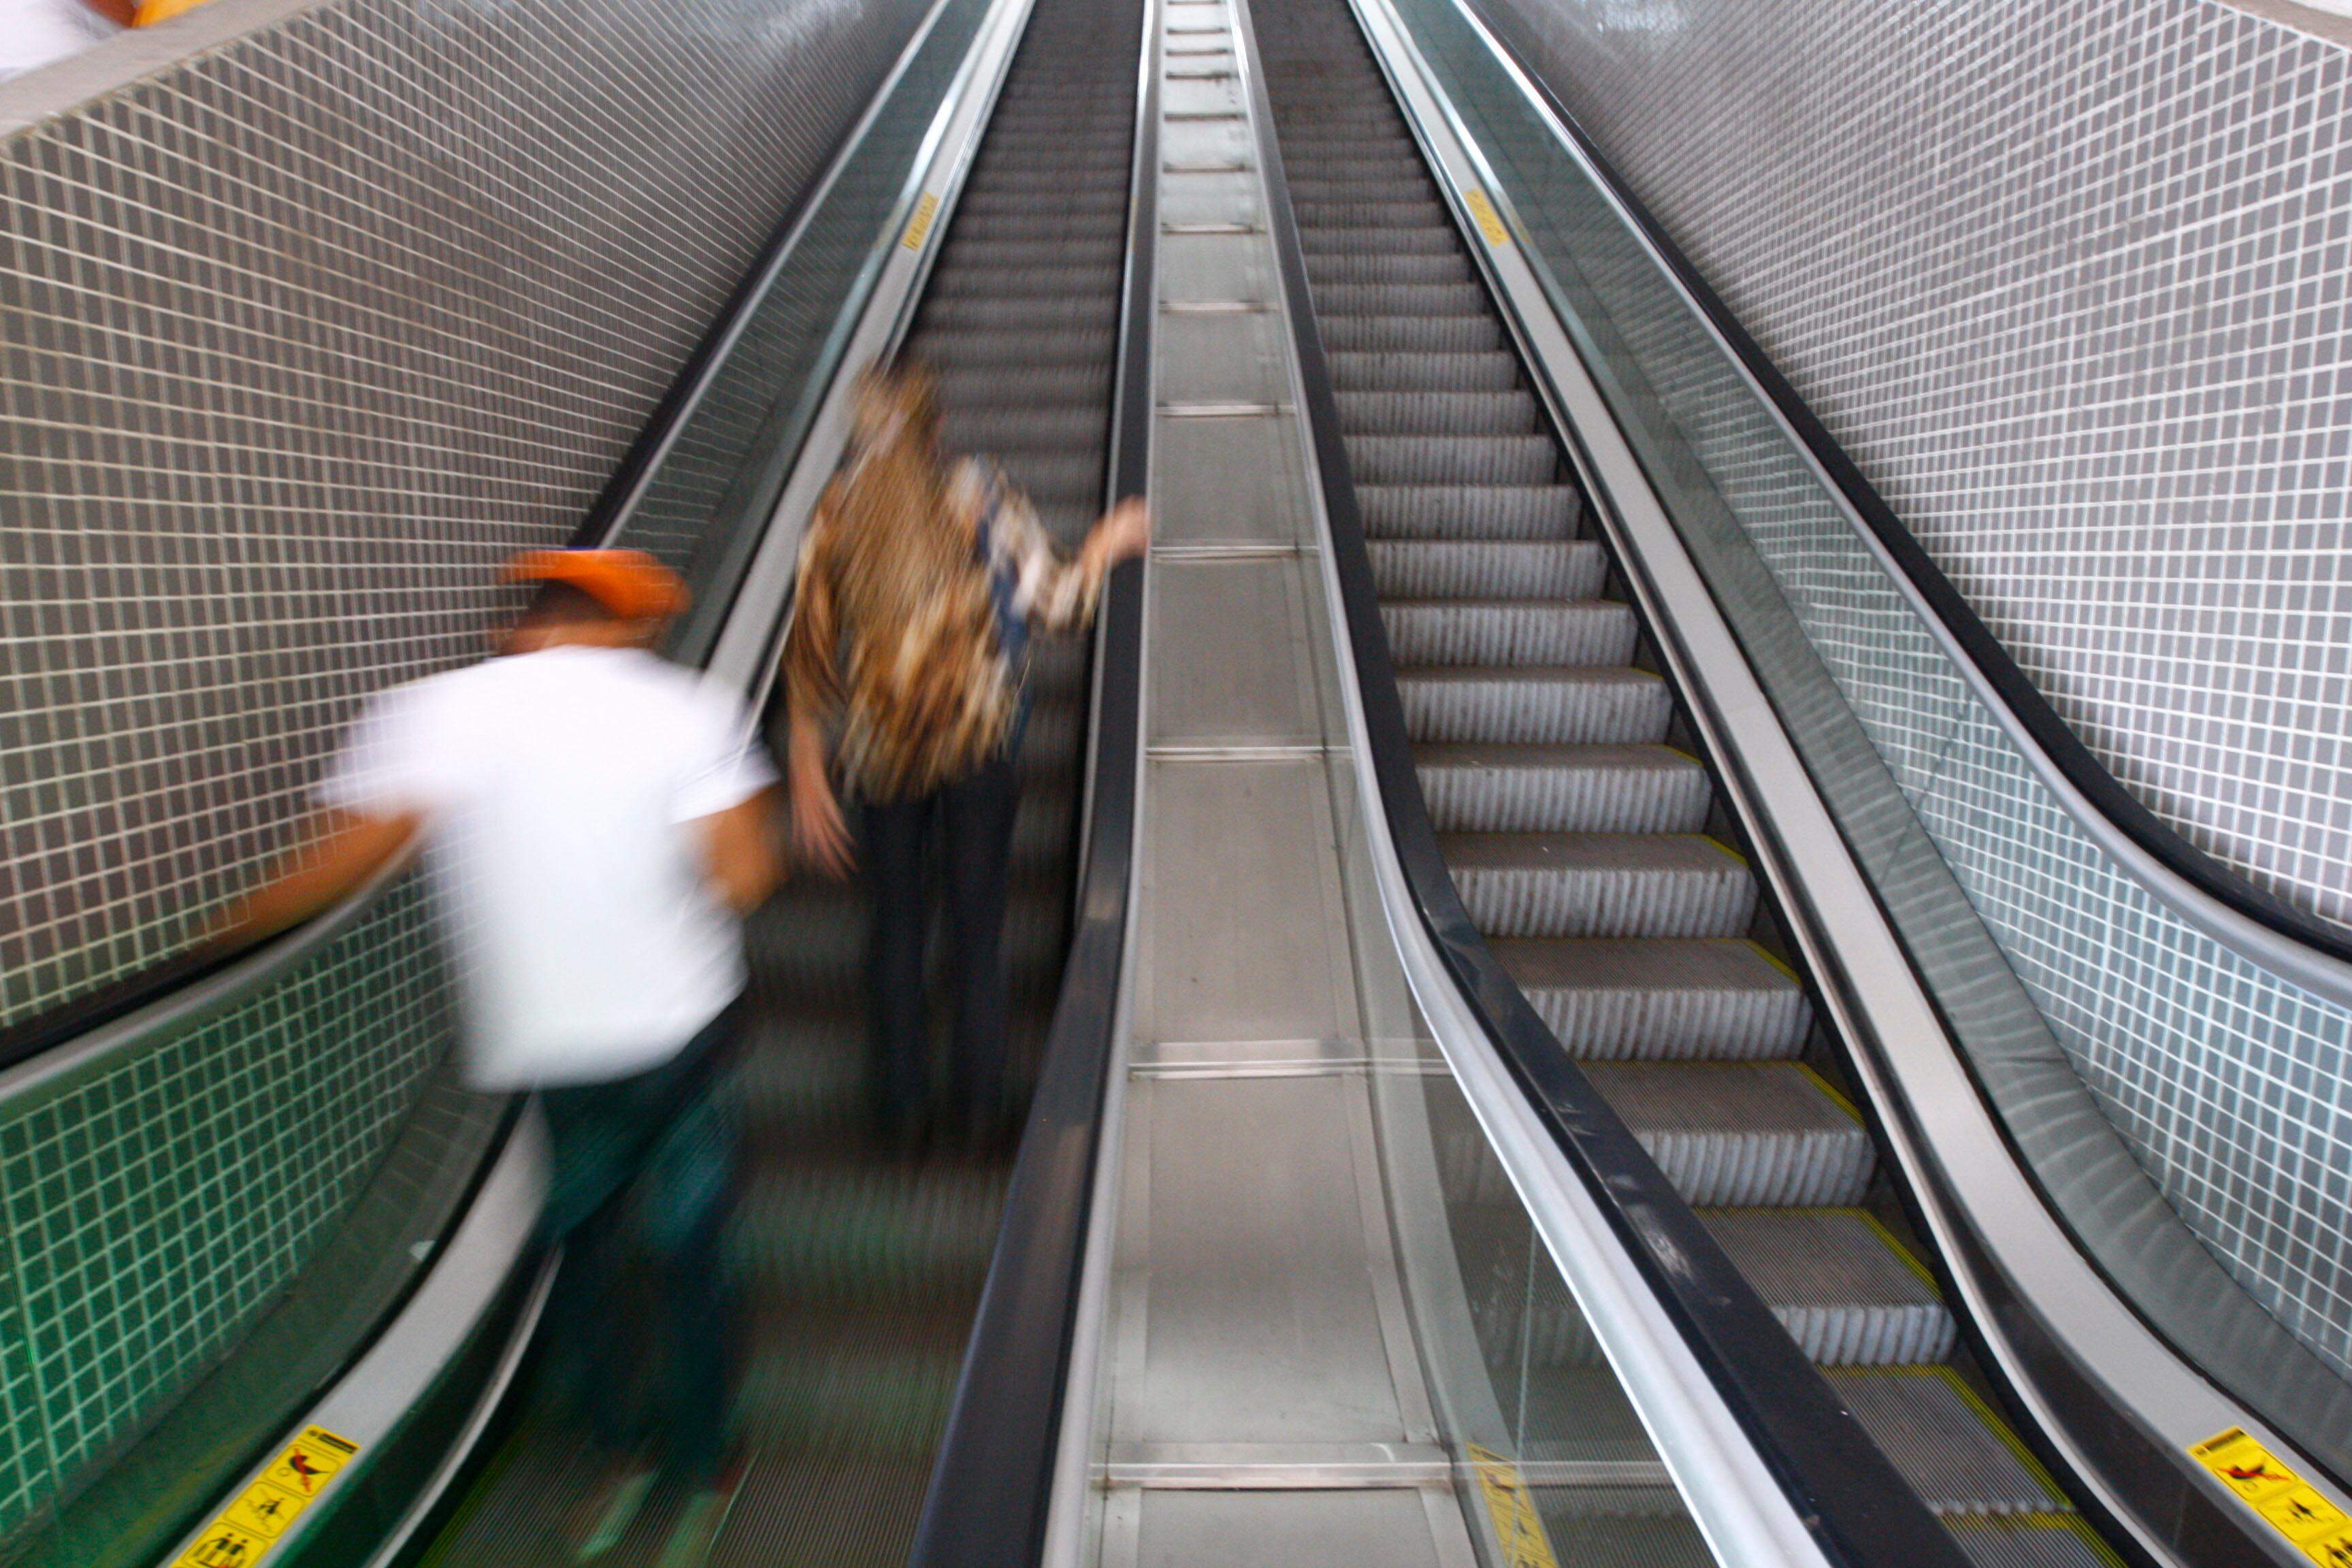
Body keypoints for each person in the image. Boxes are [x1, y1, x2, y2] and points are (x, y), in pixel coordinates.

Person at [222, 548, 781, 1564]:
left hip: (549, 1048)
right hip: (680, 1033)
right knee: (695, 1246)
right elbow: (744, 878)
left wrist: (210, 942)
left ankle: (612, 1452)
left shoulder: (435, 710)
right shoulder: (687, 709)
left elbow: (340, 859)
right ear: (626, 626)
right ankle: (701, 1463)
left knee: (581, 1243)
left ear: (517, 623)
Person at [783, 362, 1147, 1149]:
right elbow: (1060, 607)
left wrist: (809, 765)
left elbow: (809, 649)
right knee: (978, 928)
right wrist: (1104, 544)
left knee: (896, 927)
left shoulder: (835, 513)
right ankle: (981, 1107)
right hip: (978, 745)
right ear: (934, 430)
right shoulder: (978, 497)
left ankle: (899, 1113)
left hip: (880, 758)